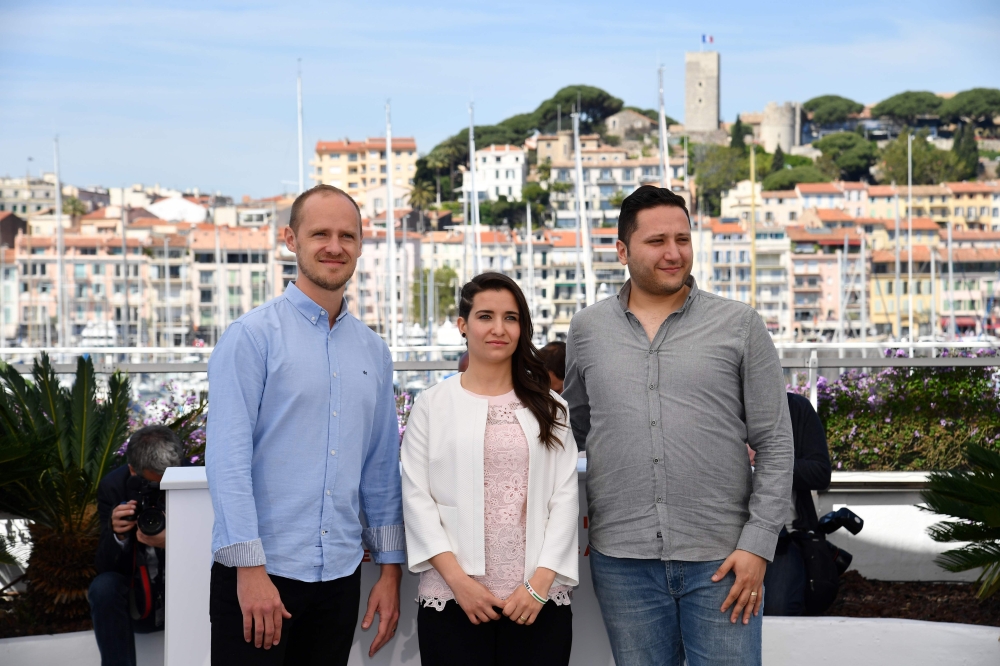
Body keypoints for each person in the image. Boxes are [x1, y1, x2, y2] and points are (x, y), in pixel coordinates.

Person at [562, 185, 794, 666]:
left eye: (683, 239)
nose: (674, 254)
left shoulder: (740, 324)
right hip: (622, 561)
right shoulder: (587, 330)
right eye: (657, 242)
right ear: (622, 250)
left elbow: (775, 442)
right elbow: (569, 433)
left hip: (724, 559)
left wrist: (758, 545)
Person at [206, 184, 404, 665]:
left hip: (339, 580)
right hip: (261, 578)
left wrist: (390, 571)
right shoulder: (251, 338)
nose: (334, 247)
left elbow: (380, 466)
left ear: (360, 244)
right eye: (320, 233)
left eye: (347, 236)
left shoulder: (374, 351)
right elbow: (228, 461)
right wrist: (250, 571)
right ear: (290, 239)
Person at [401, 272, 579, 666]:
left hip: (536, 601)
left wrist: (538, 587)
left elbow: (565, 500)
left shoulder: (553, 408)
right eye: (485, 316)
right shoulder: (432, 405)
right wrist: (460, 584)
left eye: (511, 318)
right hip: (454, 599)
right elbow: (417, 499)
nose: (499, 329)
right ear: (463, 325)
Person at [89, 426, 181, 666]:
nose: (160, 491)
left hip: (183, 587)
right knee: (103, 587)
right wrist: (117, 534)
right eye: (153, 485)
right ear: (132, 470)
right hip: (137, 594)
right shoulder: (113, 487)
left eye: (168, 482)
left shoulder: (196, 481)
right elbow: (105, 566)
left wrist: (175, 541)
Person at [762, 392, 832, 616]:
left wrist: (770, 462)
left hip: (783, 538)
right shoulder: (718, 406)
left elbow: (820, 473)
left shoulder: (795, 408)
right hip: (722, 537)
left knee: (776, 609)